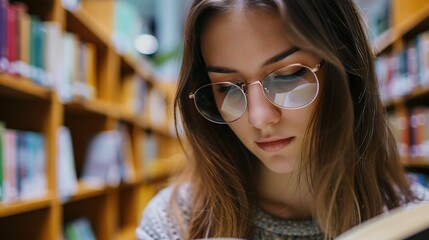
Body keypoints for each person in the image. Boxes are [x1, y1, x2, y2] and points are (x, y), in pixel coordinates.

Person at [136, 0, 429, 239]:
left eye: (287, 77)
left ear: (344, 71)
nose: (259, 117)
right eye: (227, 88)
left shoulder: (412, 219)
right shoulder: (172, 224)